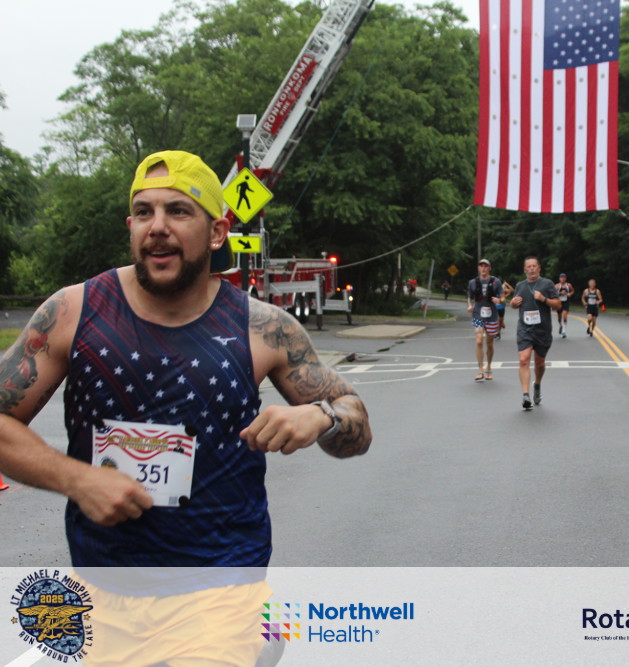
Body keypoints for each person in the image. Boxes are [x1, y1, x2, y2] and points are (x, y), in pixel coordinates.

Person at [0, 151, 373, 663]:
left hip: (222, 589)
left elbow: (357, 425)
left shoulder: (264, 327)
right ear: (131, 227)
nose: (158, 226)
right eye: (144, 212)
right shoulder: (72, 312)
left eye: (178, 211)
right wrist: (77, 479)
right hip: (104, 592)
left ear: (217, 232)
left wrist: (322, 416)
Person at [509, 256, 560, 409]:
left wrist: (544, 299)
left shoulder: (547, 284)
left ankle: (537, 384)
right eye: (528, 266)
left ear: (539, 268)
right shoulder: (520, 286)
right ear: (525, 269)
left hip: (542, 330)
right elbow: (514, 304)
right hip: (524, 329)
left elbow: (558, 305)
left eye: (534, 266)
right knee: (523, 359)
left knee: (539, 363)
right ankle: (525, 395)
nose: (531, 269)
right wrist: (513, 304)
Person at [466, 259, 504, 381]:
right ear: (478, 268)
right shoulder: (473, 282)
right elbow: (469, 296)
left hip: (491, 315)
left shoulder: (496, 281)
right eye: (481, 266)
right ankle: (480, 370)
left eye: (486, 266)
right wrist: (469, 305)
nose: (483, 268)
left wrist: (499, 300)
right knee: (478, 341)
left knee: (489, 343)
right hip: (478, 314)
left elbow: (503, 298)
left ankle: (489, 367)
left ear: (489, 268)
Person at [555, 273, 575, 338]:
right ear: (559, 279)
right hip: (559, 302)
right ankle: (560, 325)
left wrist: (570, 294)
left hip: (566, 302)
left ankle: (564, 331)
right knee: (559, 317)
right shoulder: (557, 286)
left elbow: (572, 291)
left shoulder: (568, 285)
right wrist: (560, 293)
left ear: (565, 279)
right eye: (561, 278)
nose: (563, 279)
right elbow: (553, 293)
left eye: (564, 278)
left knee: (564, 315)